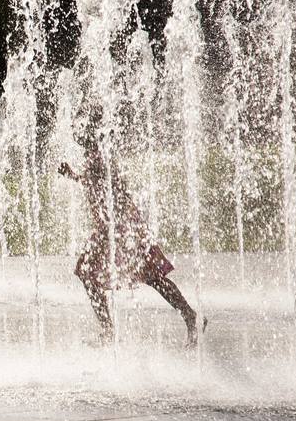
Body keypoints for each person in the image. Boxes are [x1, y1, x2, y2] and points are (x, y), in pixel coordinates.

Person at [58, 146, 207, 348]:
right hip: (118, 226)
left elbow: (114, 191)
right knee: (151, 277)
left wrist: (114, 231)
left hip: (118, 227)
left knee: (92, 272)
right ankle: (189, 316)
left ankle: (109, 329)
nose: (76, 132)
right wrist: (74, 176)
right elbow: (95, 183)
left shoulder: (99, 157)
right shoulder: (97, 157)